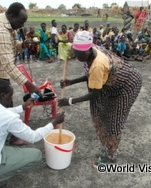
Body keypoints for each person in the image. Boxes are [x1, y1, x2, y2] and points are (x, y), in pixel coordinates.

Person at [58, 31, 142, 165]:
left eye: (80, 55)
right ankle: (108, 147)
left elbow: (95, 93)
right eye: (76, 53)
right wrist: (71, 81)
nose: (78, 57)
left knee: (114, 120)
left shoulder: (98, 63)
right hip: (111, 83)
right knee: (101, 113)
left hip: (127, 85)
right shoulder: (90, 53)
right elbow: (92, 75)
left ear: (88, 50)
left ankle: (111, 157)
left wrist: (69, 101)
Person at [0, 79, 64, 188]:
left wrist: (23, 107)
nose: (12, 98)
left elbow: (1, 113)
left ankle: (5, 151)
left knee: (6, 128)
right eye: (10, 96)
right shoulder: (7, 118)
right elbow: (33, 137)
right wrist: (54, 122)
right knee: (36, 155)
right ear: (2, 96)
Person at [0, 2, 39, 94]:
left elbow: (11, 44)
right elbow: (8, 64)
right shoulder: (0, 31)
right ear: (12, 17)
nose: (22, 26)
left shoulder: (7, 21)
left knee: (5, 100)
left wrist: (22, 45)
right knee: (4, 102)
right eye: (20, 22)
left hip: (1, 67)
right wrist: (29, 85)